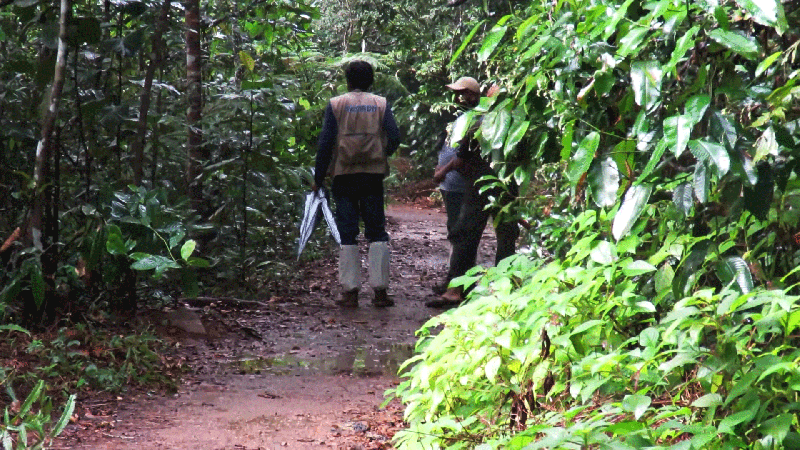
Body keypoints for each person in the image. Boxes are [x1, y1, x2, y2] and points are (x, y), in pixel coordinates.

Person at [313, 60, 401, 308]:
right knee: (376, 231)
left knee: (347, 232)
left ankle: (350, 292)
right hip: (372, 174)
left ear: (348, 81)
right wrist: (382, 153)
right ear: (371, 80)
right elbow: (394, 136)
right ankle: (381, 292)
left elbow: (325, 142)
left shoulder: (336, 104)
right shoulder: (380, 103)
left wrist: (319, 178)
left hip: (344, 175)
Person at [426, 76, 519, 308]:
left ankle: (459, 289)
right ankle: (499, 287)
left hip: (482, 184)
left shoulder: (482, 121)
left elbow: (464, 153)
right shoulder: (514, 122)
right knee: (502, 235)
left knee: (467, 234)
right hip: (503, 183)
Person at [431, 130, 467, 295]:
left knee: (459, 233)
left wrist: (442, 171)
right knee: (454, 230)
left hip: (460, 187)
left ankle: (459, 281)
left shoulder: (473, 119)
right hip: (450, 186)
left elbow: (461, 158)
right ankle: (454, 279)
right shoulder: (454, 119)